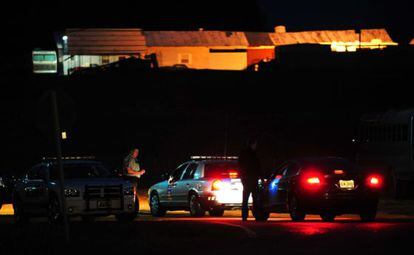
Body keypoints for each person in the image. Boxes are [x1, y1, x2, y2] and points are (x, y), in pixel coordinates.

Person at [238, 138, 262, 221]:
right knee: (255, 198)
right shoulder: (253, 154)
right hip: (251, 178)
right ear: (253, 144)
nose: (256, 146)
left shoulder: (244, 154)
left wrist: (242, 177)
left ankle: (245, 216)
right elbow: (257, 167)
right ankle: (256, 215)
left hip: (247, 178)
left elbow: (240, 166)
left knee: (246, 199)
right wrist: (260, 177)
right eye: (255, 144)